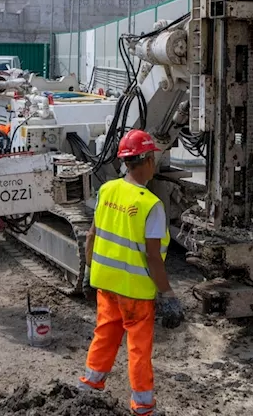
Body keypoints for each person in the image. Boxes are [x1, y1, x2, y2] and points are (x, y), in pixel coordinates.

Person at [79, 129, 184, 416]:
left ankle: (89, 385)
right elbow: (153, 257)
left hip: (106, 283)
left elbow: (92, 235)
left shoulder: (107, 190)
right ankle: (142, 406)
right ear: (149, 159)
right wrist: (167, 293)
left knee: (105, 333)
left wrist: (90, 272)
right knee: (138, 348)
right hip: (135, 292)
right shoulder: (150, 204)